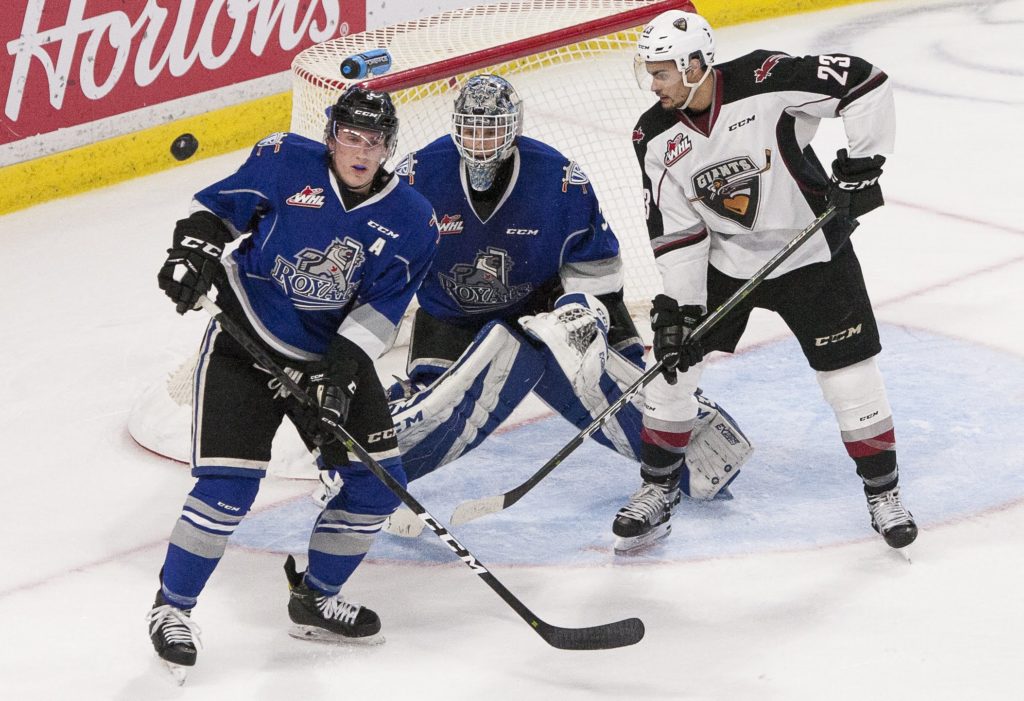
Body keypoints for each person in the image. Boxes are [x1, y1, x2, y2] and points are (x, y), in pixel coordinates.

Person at [315, 74, 752, 551]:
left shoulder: (558, 178)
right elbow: (390, 267)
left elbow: (598, 270)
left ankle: (691, 431)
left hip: (543, 314)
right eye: (471, 129)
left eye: (492, 130)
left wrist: (582, 320)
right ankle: (364, 465)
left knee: (613, 383)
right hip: (452, 316)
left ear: (514, 128)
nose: (480, 144)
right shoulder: (420, 176)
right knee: (437, 407)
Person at [146, 85, 438, 676]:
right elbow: (217, 213)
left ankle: (316, 597)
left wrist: (340, 378)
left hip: (329, 354)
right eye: (351, 137)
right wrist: (194, 251)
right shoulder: (285, 160)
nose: (360, 151)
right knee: (229, 487)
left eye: (374, 141)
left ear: (389, 147)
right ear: (331, 135)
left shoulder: (413, 219)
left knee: (377, 485)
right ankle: (172, 608)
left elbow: (380, 311)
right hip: (244, 341)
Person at [622, 9, 917, 550]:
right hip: (726, 266)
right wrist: (680, 306)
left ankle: (883, 494)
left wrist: (864, 162)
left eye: (662, 71)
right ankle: (657, 491)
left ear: (693, 65)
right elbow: (678, 232)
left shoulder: (766, 80)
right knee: (670, 369)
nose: (653, 82)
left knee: (849, 378)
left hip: (812, 254)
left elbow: (864, 81)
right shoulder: (655, 135)